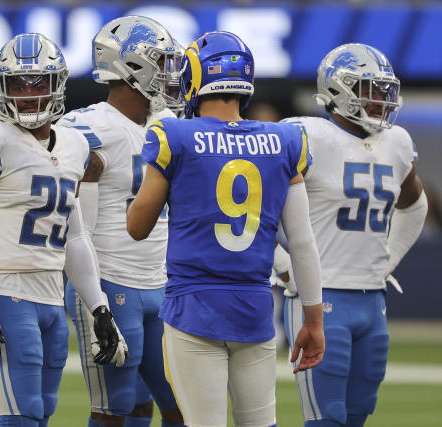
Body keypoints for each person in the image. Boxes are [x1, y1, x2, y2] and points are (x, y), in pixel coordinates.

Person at [126, 31, 326, 427]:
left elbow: (137, 227)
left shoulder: (174, 135)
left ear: (195, 78)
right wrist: (314, 321)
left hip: (193, 309)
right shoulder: (284, 139)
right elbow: (302, 242)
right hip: (254, 309)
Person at [0, 33, 127, 427]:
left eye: (38, 83)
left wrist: (100, 308)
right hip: (3, 291)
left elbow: (75, 235)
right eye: (17, 84)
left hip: (50, 297)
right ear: (1, 87)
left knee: (42, 411)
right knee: (22, 415)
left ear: (57, 84)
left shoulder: (77, 144)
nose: (27, 94)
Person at [281, 43, 427, 427]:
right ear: (337, 90)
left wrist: (388, 261)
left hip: (371, 301)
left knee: (359, 415)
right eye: (370, 89)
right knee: (326, 419)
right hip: (321, 296)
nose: (382, 100)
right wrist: (282, 265)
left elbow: (416, 205)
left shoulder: (397, 142)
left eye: (385, 90)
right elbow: (251, 210)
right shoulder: (303, 135)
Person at [56, 15, 185, 427]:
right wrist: (94, 301)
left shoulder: (169, 125)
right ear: (132, 67)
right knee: (116, 407)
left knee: (179, 405)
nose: (170, 75)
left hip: (161, 280)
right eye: (161, 64)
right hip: (110, 279)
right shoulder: (90, 127)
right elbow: (78, 228)